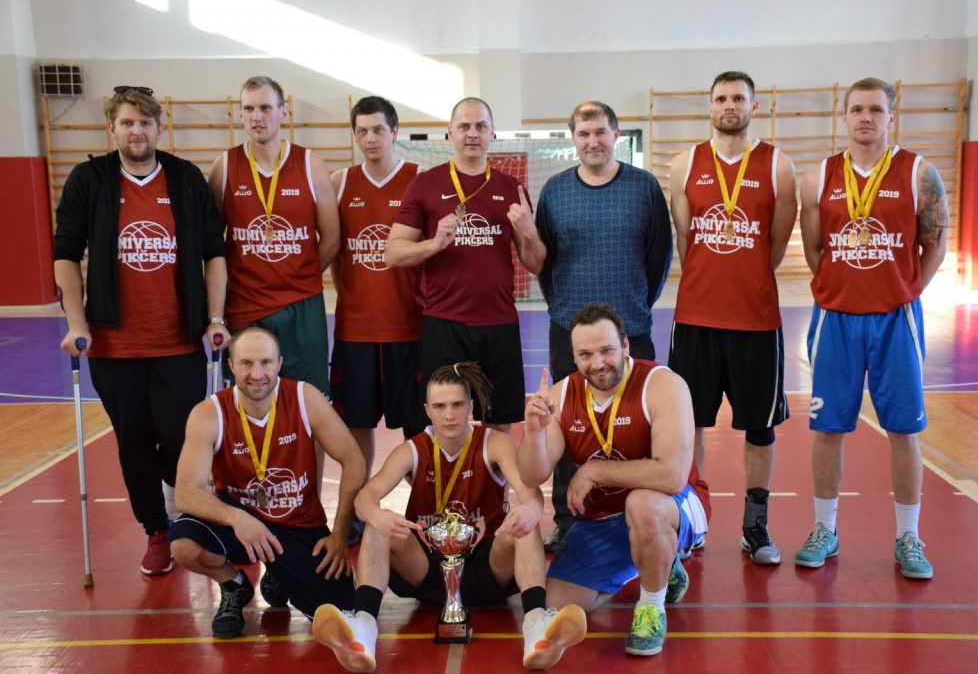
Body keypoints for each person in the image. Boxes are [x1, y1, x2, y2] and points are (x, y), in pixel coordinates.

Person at [53, 85, 228, 576]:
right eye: (127, 122)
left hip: (178, 340)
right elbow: (65, 254)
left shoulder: (186, 178)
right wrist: (76, 323)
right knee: (132, 443)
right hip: (115, 345)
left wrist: (215, 319)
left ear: (159, 128)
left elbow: (214, 253)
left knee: (178, 437)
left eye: (145, 123)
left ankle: (184, 511)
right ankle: (156, 529)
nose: (137, 131)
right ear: (111, 127)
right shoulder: (90, 180)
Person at [312, 362, 587, 672]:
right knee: (377, 526)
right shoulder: (413, 450)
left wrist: (531, 509)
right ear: (427, 410)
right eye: (440, 406)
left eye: (457, 404)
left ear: (470, 406)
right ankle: (363, 628)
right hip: (426, 569)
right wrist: (376, 514)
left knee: (525, 523)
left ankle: (537, 625)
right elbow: (365, 496)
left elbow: (529, 492)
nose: (450, 414)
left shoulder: (494, 443)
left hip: (486, 567)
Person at [796, 77, 948, 579]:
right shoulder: (819, 176)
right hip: (835, 319)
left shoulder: (919, 172)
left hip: (895, 320)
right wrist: (842, 287)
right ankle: (824, 528)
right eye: (857, 109)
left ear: (891, 117)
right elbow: (814, 249)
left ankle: (909, 536)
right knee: (828, 429)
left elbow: (935, 244)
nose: (866, 117)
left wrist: (905, 291)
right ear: (844, 116)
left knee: (904, 430)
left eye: (876, 110)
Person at [518, 304, 710, 658]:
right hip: (604, 517)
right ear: (574, 356)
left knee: (643, 504)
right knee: (557, 604)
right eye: (585, 355)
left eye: (606, 350)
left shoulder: (662, 384)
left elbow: (671, 476)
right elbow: (532, 475)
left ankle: (651, 606)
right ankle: (655, 562)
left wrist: (595, 469)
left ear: (625, 345)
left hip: (675, 503)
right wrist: (533, 432)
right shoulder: (561, 396)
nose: (598, 363)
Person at [666, 71, 797, 565]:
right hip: (696, 317)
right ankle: (693, 519)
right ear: (710, 106)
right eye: (721, 98)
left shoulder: (778, 165)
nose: (729, 106)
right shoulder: (684, 164)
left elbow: (775, 244)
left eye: (738, 98)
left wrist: (746, 275)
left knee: (760, 428)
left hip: (756, 320)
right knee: (690, 424)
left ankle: (754, 526)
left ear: (754, 106)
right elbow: (686, 240)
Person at [533, 101, 673, 552]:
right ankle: (568, 520)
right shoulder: (555, 191)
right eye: (583, 133)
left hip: (630, 329)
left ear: (616, 135)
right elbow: (545, 262)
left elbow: (659, 256)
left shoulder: (644, 187)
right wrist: (565, 310)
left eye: (600, 132)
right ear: (573, 139)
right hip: (569, 332)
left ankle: (644, 517)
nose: (592, 141)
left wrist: (634, 307)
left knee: (642, 426)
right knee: (565, 425)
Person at [169, 327, 366, 638]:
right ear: (231, 366)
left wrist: (340, 534)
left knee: (342, 613)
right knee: (185, 546)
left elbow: (354, 460)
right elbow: (185, 493)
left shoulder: (305, 398)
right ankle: (233, 584)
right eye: (246, 363)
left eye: (265, 362)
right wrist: (237, 518)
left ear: (280, 363)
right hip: (240, 522)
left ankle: (278, 571)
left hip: (298, 522)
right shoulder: (209, 413)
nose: (257, 374)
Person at [385, 97, 546, 433]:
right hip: (445, 323)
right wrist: (434, 244)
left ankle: (493, 473)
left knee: (500, 424)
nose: (472, 133)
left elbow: (536, 264)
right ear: (450, 133)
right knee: (443, 423)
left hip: (499, 322)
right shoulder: (425, 184)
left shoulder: (511, 188)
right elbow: (393, 253)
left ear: (492, 133)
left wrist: (529, 232)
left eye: (480, 126)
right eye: (464, 126)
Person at [208, 75, 339, 395]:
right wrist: (216, 314)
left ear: (284, 112)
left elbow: (332, 238)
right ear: (240, 114)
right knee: (249, 400)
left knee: (308, 400)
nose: (257, 116)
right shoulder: (224, 167)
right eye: (249, 108)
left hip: (302, 306)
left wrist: (300, 275)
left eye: (265, 108)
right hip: (245, 306)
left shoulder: (309, 164)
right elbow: (212, 245)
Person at [329, 95, 422, 484]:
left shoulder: (420, 179)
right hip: (356, 330)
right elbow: (335, 253)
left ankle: (426, 507)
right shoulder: (340, 182)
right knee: (356, 427)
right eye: (362, 131)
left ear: (394, 132)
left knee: (419, 429)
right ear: (354, 135)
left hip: (410, 328)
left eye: (378, 130)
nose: (370, 138)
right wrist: (353, 297)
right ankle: (353, 507)